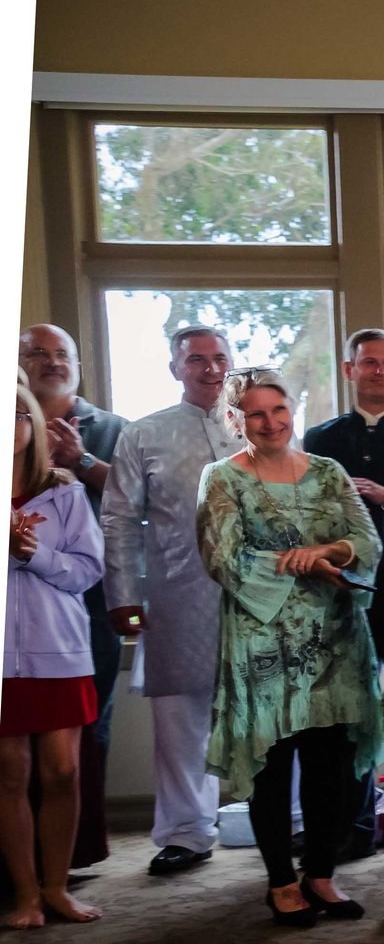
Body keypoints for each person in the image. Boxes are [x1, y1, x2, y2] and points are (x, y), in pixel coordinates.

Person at [199, 370, 384, 926]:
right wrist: (295, 564)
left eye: (278, 409)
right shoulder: (221, 478)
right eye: (256, 414)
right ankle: (281, 881)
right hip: (262, 644)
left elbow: (368, 543)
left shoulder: (329, 473)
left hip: (335, 640)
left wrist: (328, 549)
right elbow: (222, 558)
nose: (271, 422)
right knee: (272, 768)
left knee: (335, 769)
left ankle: (322, 875)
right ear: (237, 421)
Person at [101, 324, 239, 876]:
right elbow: (118, 519)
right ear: (175, 368)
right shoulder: (144, 434)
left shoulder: (258, 426)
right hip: (178, 594)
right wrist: (124, 595)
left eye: (220, 358)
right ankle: (186, 832)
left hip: (263, 596)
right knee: (181, 716)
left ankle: (295, 820)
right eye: (197, 359)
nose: (210, 369)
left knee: (280, 709)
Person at [302, 328, 384, 879]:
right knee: (346, 717)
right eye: (368, 363)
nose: (379, 372)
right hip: (340, 596)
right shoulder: (320, 437)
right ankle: (350, 827)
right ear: (350, 370)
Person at [17, 325, 124, 872]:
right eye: (37, 353)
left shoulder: (113, 429)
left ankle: (73, 854)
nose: (52, 362)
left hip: (89, 602)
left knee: (85, 734)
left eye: (63, 353)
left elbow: (140, 511)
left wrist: (81, 461)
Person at [5, 378, 106, 928]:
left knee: (63, 770)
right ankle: (24, 897)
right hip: (5, 661)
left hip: (60, 650)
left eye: (20, 414)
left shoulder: (65, 492)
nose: (12, 425)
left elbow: (88, 572)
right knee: (9, 773)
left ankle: (56, 888)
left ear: (35, 425)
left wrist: (32, 553)